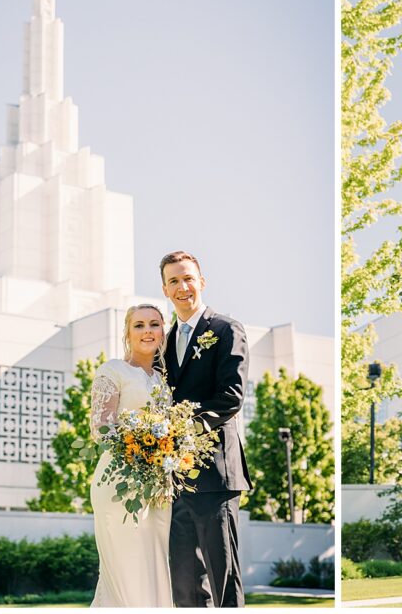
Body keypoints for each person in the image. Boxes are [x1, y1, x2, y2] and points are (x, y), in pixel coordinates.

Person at [157, 251, 251, 608]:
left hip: (215, 473)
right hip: (174, 481)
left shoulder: (226, 329)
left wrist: (183, 432)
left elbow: (231, 396)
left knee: (222, 576)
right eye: (174, 281)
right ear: (165, 289)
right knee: (184, 580)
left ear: (202, 282)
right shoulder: (163, 343)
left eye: (188, 278)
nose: (183, 287)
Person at [90, 303, 173, 607]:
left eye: (154, 324)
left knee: (153, 568)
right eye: (138, 325)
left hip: (158, 487)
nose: (147, 331)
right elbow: (100, 427)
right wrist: (140, 447)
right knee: (125, 571)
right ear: (127, 332)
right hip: (119, 482)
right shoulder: (113, 370)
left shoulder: (165, 380)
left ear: (163, 331)